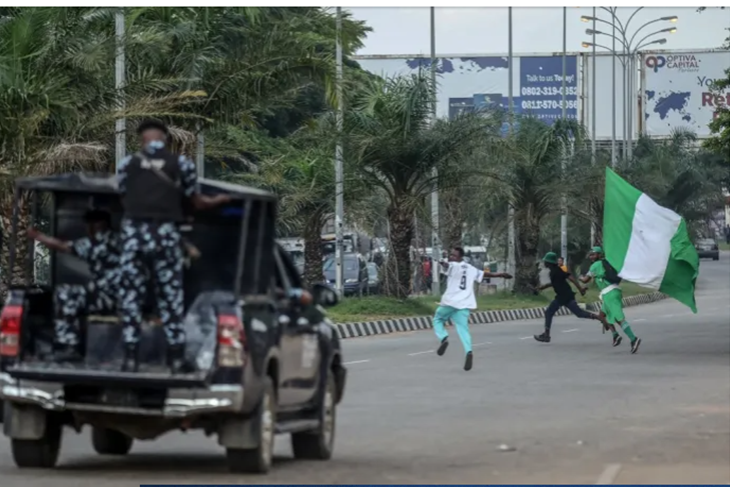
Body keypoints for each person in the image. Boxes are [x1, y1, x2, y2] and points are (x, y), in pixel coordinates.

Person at [117, 118, 231, 371]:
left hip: (133, 238)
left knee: (131, 297)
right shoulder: (180, 164)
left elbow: (123, 198)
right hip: (166, 237)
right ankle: (176, 357)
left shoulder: (127, 164)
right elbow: (197, 202)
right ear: (165, 139)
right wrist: (220, 200)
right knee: (169, 297)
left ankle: (129, 358)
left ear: (142, 139)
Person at [27, 209, 120, 360]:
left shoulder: (100, 241)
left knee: (65, 294)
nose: (87, 229)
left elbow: (65, 247)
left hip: (110, 298)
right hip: (123, 296)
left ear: (99, 225)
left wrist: (37, 237)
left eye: (90, 225)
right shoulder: (118, 239)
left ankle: (68, 346)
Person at [434, 246, 512, 371]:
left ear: (460, 257)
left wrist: (443, 262)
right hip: (465, 303)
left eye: (454, 255)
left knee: (438, 319)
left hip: (450, 302)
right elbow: (485, 274)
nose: (451, 257)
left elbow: (446, 265)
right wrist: (501, 274)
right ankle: (468, 351)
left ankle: (443, 338)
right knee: (463, 329)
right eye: (451, 255)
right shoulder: (471, 268)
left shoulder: (452, 265)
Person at [533, 252, 608, 343]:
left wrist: (580, 289)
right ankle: (599, 318)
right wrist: (541, 288)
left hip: (563, 296)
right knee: (579, 313)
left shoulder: (556, 271)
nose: (544, 263)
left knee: (549, 312)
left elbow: (571, 277)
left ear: (549, 262)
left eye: (545, 261)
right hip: (566, 295)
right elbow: (554, 283)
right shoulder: (554, 271)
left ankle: (546, 335)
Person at [580, 246, 641, 353]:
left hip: (609, 294)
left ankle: (633, 339)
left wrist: (580, 277)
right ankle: (615, 335)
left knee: (619, 318)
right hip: (612, 291)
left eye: (593, 254)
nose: (591, 256)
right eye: (590, 254)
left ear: (599, 255)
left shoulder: (595, 265)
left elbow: (585, 280)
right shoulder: (608, 263)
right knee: (602, 315)